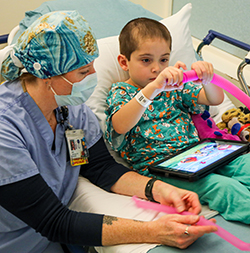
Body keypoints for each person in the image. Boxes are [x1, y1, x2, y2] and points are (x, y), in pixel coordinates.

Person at [0, 11, 217, 253]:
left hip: (54, 240)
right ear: (47, 76)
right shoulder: (5, 128)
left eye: (93, 66)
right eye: (83, 72)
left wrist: (160, 189)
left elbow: (101, 168)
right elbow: (52, 221)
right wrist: (156, 231)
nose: (93, 77)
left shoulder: (72, 110)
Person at [105, 17, 250, 224]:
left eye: (163, 60)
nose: (157, 68)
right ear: (123, 62)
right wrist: (153, 89)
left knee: (247, 164)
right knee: (224, 188)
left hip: (201, 153)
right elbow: (120, 125)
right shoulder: (122, 92)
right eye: (146, 60)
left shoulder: (174, 86)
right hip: (164, 169)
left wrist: (206, 79)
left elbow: (214, 99)